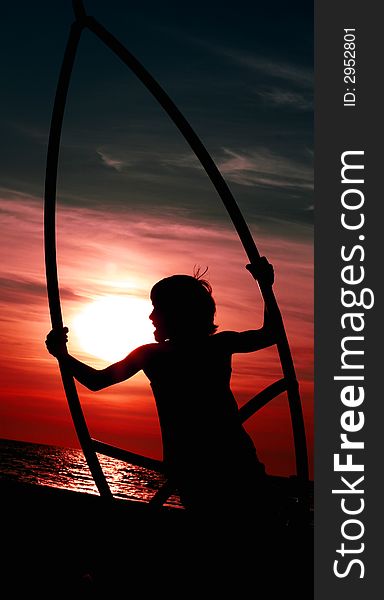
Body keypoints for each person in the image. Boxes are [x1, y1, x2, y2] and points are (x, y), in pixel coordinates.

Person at [45, 257, 276, 526]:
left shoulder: (160, 355)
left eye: (158, 308)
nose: (151, 316)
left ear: (180, 313)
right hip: (221, 463)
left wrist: (62, 356)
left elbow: (96, 381)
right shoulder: (211, 347)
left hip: (216, 466)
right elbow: (270, 333)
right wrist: (266, 287)